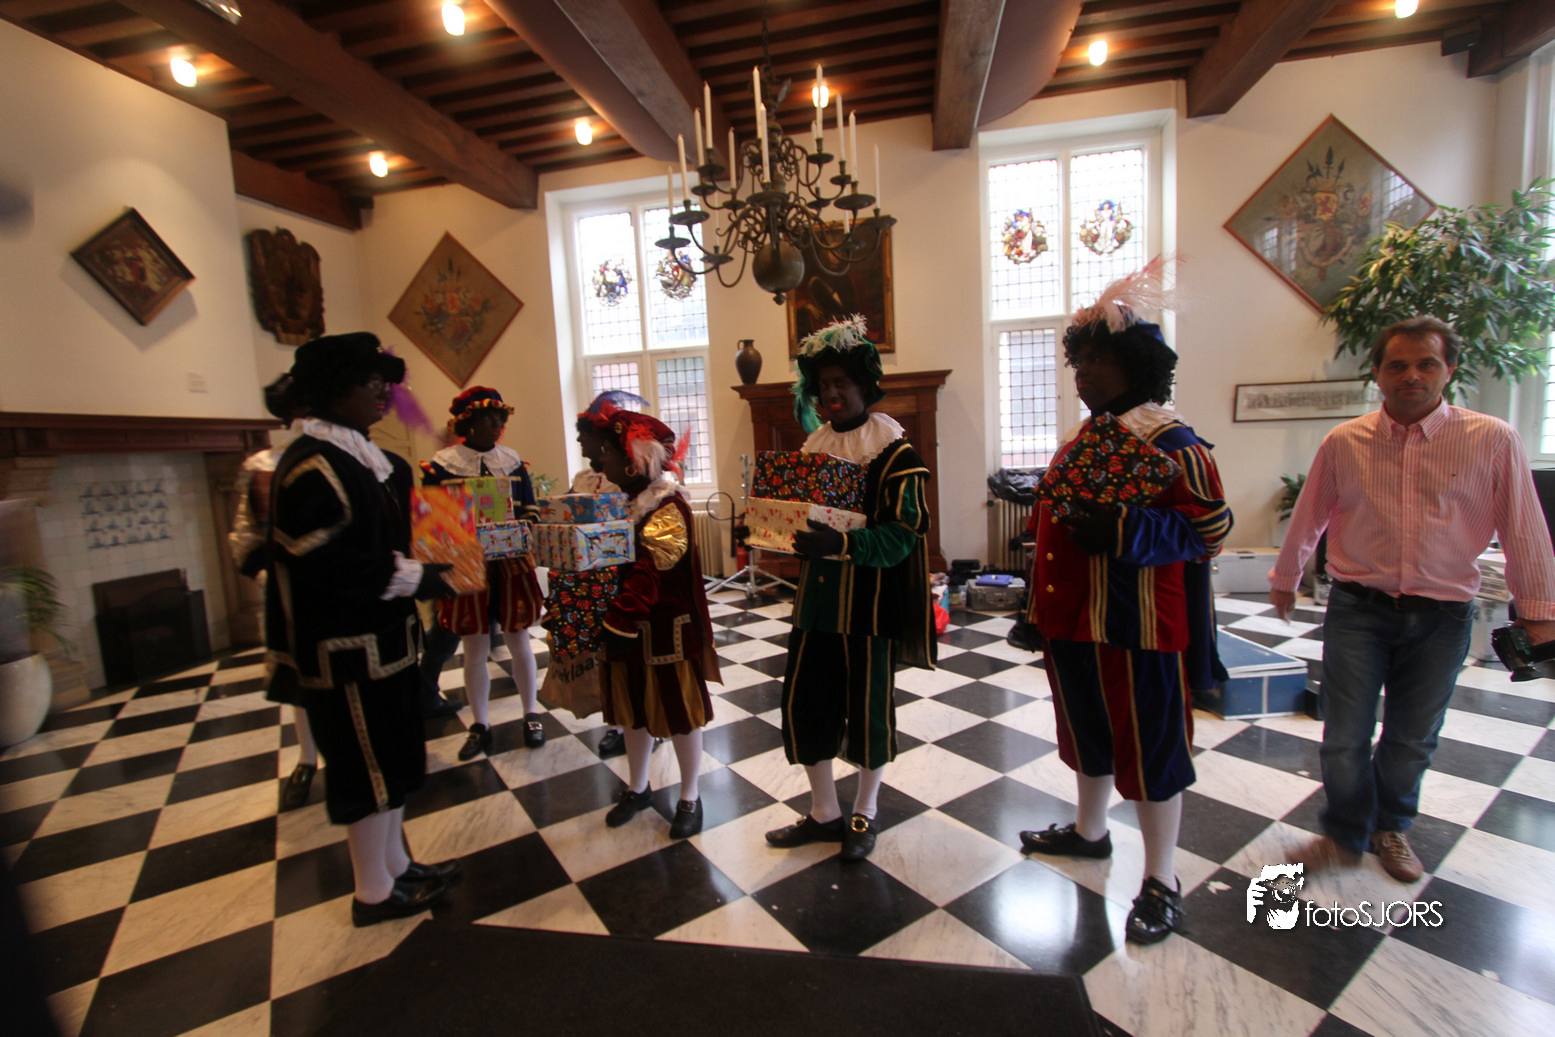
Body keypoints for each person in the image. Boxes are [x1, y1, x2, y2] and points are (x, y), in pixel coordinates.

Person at [1270, 316, 1555, 882]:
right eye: (1397, 365)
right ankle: (1344, 836)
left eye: (1427, 363)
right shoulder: (1345, 441)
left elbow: (1524, 527)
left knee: (1411, 737)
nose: (1412, 376)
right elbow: (1312, 512)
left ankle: (1390, 828)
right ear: (1377, 374)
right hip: (1359, 609)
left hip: (1443, 617)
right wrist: (1286, 574)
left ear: (1449, 369)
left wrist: (1540, 612)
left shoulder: (1492, 439)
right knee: (1344, 734)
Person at [1015, 268, 1231, 945]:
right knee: (1088, 733)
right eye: (1077, 360)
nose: (1081, 373)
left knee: (1150, 749)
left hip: (1137, 624)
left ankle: (1161, 878)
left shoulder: (1171, 440)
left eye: (1095, 359)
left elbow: (1210, 528)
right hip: (1072, 618)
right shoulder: (1083, 438)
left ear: (1134, 362)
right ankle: (1090, 832)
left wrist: (1126, 530)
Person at [265, 332, 460, 927]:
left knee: (393, 758)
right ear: (334, 389)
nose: (385, 393)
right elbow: (324, 563)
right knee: (366, 767)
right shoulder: (312, 465)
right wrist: (419, 576)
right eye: (370, 382)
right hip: (345, 651)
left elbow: (403, 532)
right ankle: (372, 892)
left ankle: (397, 865)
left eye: (385, 381)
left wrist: (452, 549)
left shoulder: (368, 460)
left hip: (386, 642)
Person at [764, 315, 936, 863]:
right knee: (807, 706)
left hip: (869, 608)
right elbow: (794, 519)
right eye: (823, 385)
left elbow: (904, 536)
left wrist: (840, 545)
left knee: (867, 713)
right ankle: (823, 813)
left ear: (864, 385)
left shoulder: (896, 456)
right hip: (816, 607)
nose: (831, 394)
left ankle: (865, 810)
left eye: (841, 382)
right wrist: (774, 530)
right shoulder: (813, 449)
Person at [583, 403, 720, 838]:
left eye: (607, 453)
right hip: (626, 627)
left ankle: (690, 795)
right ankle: (638, 787)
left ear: (633, 460)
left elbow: (652, 569)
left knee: (680, 715)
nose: (600, 460)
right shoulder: (619, 502)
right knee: (632, 712)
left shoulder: (668, 505)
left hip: (665, 633)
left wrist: (617, 620)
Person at [421, 387, 545, 759]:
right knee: (474, 645)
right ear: (467, 422)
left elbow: (531, 509)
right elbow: (432, 522)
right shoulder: (441, 466)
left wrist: (520, 529)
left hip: (509, 562)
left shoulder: (512, 461)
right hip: (466, 563)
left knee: (518, 638)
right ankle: (480, 724)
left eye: (499, 417)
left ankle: (531, 714)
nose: (496, 424)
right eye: (487, 417)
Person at [229, 374, 321, 812]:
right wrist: (269, 570)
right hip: (289, 587)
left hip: (345, 587)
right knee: (301, 673)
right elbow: (248, 532)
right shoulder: (263, 465)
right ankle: (307, 757)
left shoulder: (344, 455)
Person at [570, 391, 646, 758]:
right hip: (589, 576)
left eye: (585, 437)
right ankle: (615, 721)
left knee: (624, 654)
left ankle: (637, 722)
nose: (581, 444)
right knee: (602, 656)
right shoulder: (582, 479)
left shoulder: (625, 481)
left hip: (619, 575)